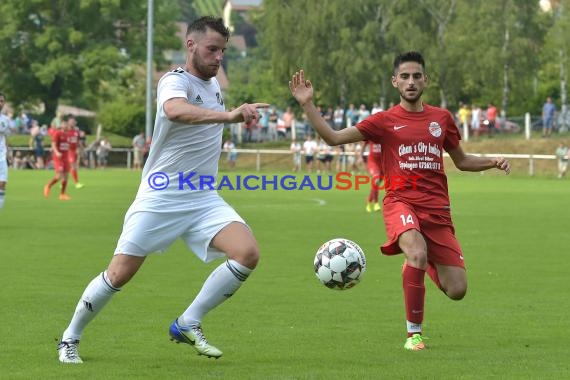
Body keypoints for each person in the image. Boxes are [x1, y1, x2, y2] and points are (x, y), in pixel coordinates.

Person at [56, 16, 266, 364]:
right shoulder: (174, 81)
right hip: (162, 194)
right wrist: (230, 116)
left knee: (247, 253)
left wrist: (232, 116)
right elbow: (174, 110)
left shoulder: (214, 86)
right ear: (191, 46)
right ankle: (69, 338)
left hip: (202, 197)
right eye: (212, 49)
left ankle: (188, 322)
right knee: (119, 273)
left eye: (223, 51)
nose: (218, 57)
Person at [289, 51, 511, 351]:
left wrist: (492, 162)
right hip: (400, 203)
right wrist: (308, 104)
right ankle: (414, 334)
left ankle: (424, 262)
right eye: (404, 76)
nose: (410, 81)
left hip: (438, 211)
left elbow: (462, 161)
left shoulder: (441, 119)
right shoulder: (384, 121)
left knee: (457, 290)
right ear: (395, 82)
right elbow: (333, 137)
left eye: (416, 76)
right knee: (415, 253)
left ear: (425, 80)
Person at [44, 115, 72, 201]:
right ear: (62, 125)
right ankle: (48, 185)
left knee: (66, 177)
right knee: (59, 176)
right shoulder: (57, 133)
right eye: (65, 124)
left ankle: (62, 194)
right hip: (58, 157)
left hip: (65, 157)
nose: (67, 126)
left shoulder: (68, 135)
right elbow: (53, 144)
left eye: (67, 125)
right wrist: (56, 152)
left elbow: (67, 146)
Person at [0, 92, 17, 209]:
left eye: (1, 101)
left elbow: (5, 137)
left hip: (1, 156)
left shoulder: (5, 119)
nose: (0, 103)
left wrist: (9, 153)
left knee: (2, 184)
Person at [362, 140, 383, 213]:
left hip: (383, 163)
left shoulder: (384, 135)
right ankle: (376, 203)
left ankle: (368, 200)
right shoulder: (371, 135)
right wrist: (362, 158)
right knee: (376, 180)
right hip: (372, 161)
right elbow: (363, 146)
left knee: (376, 184)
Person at [66, 115, 84, 188]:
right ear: (68, 122)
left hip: (74, 151)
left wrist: (80, 149)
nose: (73, 123)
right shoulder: (65, 131)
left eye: (74, 122)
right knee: (73, 166)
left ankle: (63, 183)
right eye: (71, 122)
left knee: (70, 167)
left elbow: (78, 141)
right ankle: (77, 183)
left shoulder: (76, 131)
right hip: (68, 151)